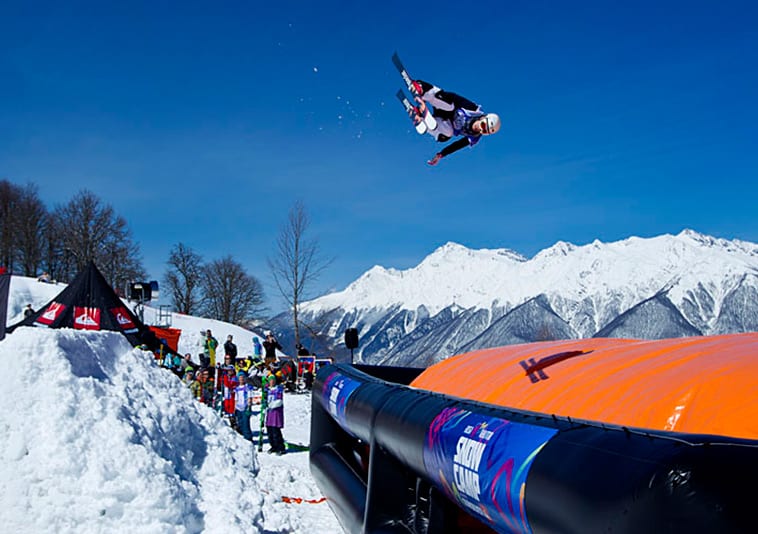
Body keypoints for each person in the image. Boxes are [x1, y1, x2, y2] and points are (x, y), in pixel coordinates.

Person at [409, 79, 501, 166]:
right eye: (483, 125)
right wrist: (429, 91)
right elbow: (455, 98)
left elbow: (458, 145)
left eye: (484, 132)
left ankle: (421, 117)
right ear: (483, 118)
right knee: (450, 105)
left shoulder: (474, 137)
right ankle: (422, 89)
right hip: (443, 106)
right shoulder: (473, 110)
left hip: (444, 120)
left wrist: (441, 154)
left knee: (445, 136)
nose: (480, 129)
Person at [265, 373, 286, 454]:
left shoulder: (278, 389)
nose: (272, 382)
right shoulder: (267, 390)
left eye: (273, 380)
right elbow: (265, 399)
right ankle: (273, 445)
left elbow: (279, 401)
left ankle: (280, 447)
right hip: (269, 413)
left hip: (276, 413)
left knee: (275, 430)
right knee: (269, 430)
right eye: (270, 380)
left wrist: (271, 405)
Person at [233, 372, 255, 441]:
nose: (241, 379)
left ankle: (248, 438)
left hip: (245, 407)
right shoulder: (237, 388)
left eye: (242, 378)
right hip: (238, 407)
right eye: (240, 378)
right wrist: (235, 408)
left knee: (246, 424)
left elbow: (250, 397)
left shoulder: (247, 387)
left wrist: (249, 406)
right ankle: (243, 438)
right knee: (240, 423)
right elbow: (236, 399)